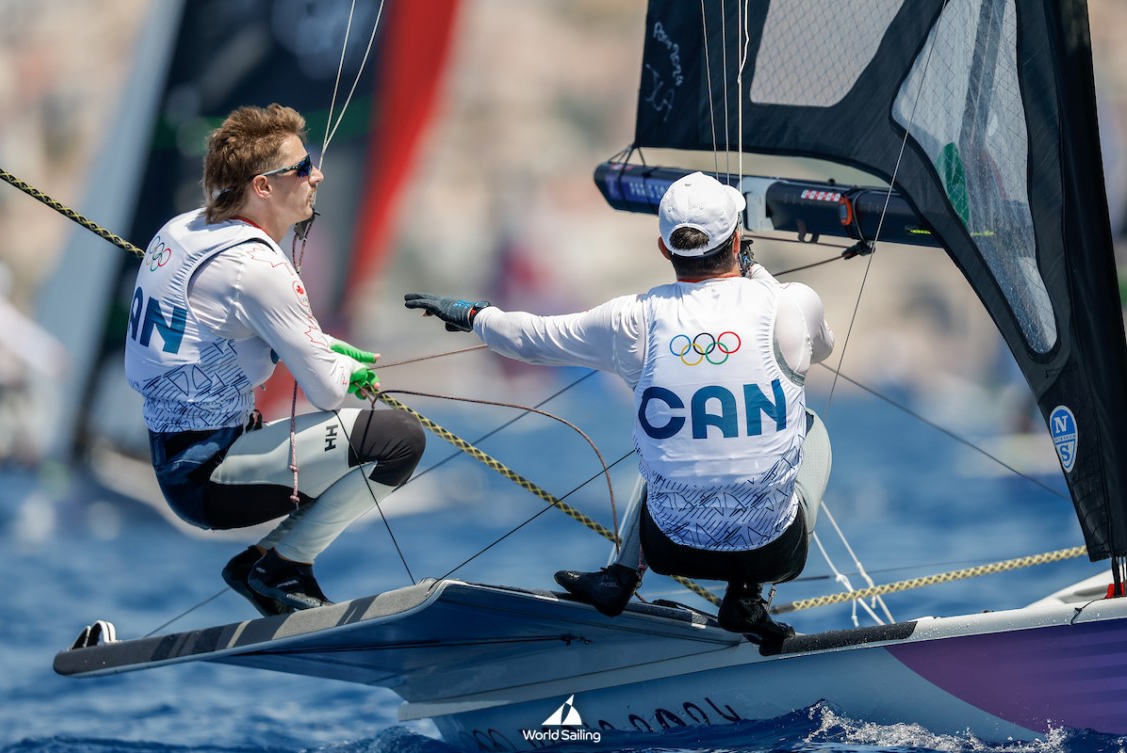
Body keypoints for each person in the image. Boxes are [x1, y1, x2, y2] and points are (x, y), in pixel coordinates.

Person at [403, 171, 833, 644]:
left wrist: (472, 315)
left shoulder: (633, 319)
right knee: (810, 430)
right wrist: (757, 271)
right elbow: (823, 347)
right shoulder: (792, 303)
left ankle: (620, 578)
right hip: (773, 553)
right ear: (736, 238)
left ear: (664, 249)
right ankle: (747, 597)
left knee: (673, 439)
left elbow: (530, 338)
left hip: (670, 548)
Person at [125, 104, 425, 616]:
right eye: (302, 168)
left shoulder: (181, 229)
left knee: (380, 435)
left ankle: (261, 565)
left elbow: (218, 328)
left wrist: (318, 345)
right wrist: (342, 368)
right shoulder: (259, 267)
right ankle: (284, 566)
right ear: (263, 186)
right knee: (399, 439)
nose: (318, 175)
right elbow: (328, 392)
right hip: (212, 477)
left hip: (176, 460)